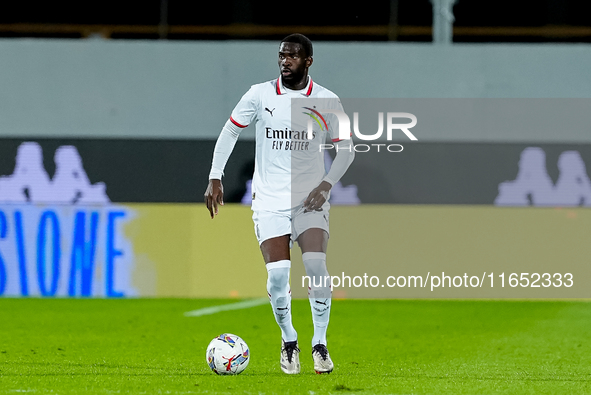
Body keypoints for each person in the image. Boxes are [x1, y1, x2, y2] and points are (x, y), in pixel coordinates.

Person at [204, 33, 354, 374]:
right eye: (281, 55)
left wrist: (327, 184)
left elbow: (347, 148)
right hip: (269, 201)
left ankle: (320, 344)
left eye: (293, 56)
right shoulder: (259, 94)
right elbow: (230, 131)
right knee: (277, 278)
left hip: (309, 202)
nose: (285, 61)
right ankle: (289, 341)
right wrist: (216, 176)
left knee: (316, 266)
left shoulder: (328, 100)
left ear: (308, 61)